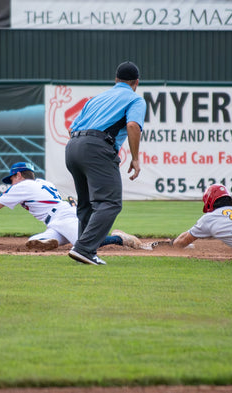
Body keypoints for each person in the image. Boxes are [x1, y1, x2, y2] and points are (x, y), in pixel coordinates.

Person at [0, 162, 143, 256]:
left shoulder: (20, 186)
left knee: (84, 247)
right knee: (34, 242)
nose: (10, 183)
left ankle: (119, 238)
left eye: (11, 179)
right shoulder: (42, 182)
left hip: (62, 216)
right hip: (58, 218)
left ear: (18, 175)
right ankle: (51, 239)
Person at [65, 60, 146, 266]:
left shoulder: (95, 99)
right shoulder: (135, 99)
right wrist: (135, 158)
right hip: (97, 147)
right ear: (136, 82)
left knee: (86, 204)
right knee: (110, 203)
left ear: (115, 80)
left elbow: (71, 128)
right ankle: (84, 249)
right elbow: (133, 125)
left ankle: (83, 251)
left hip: (73, 146)